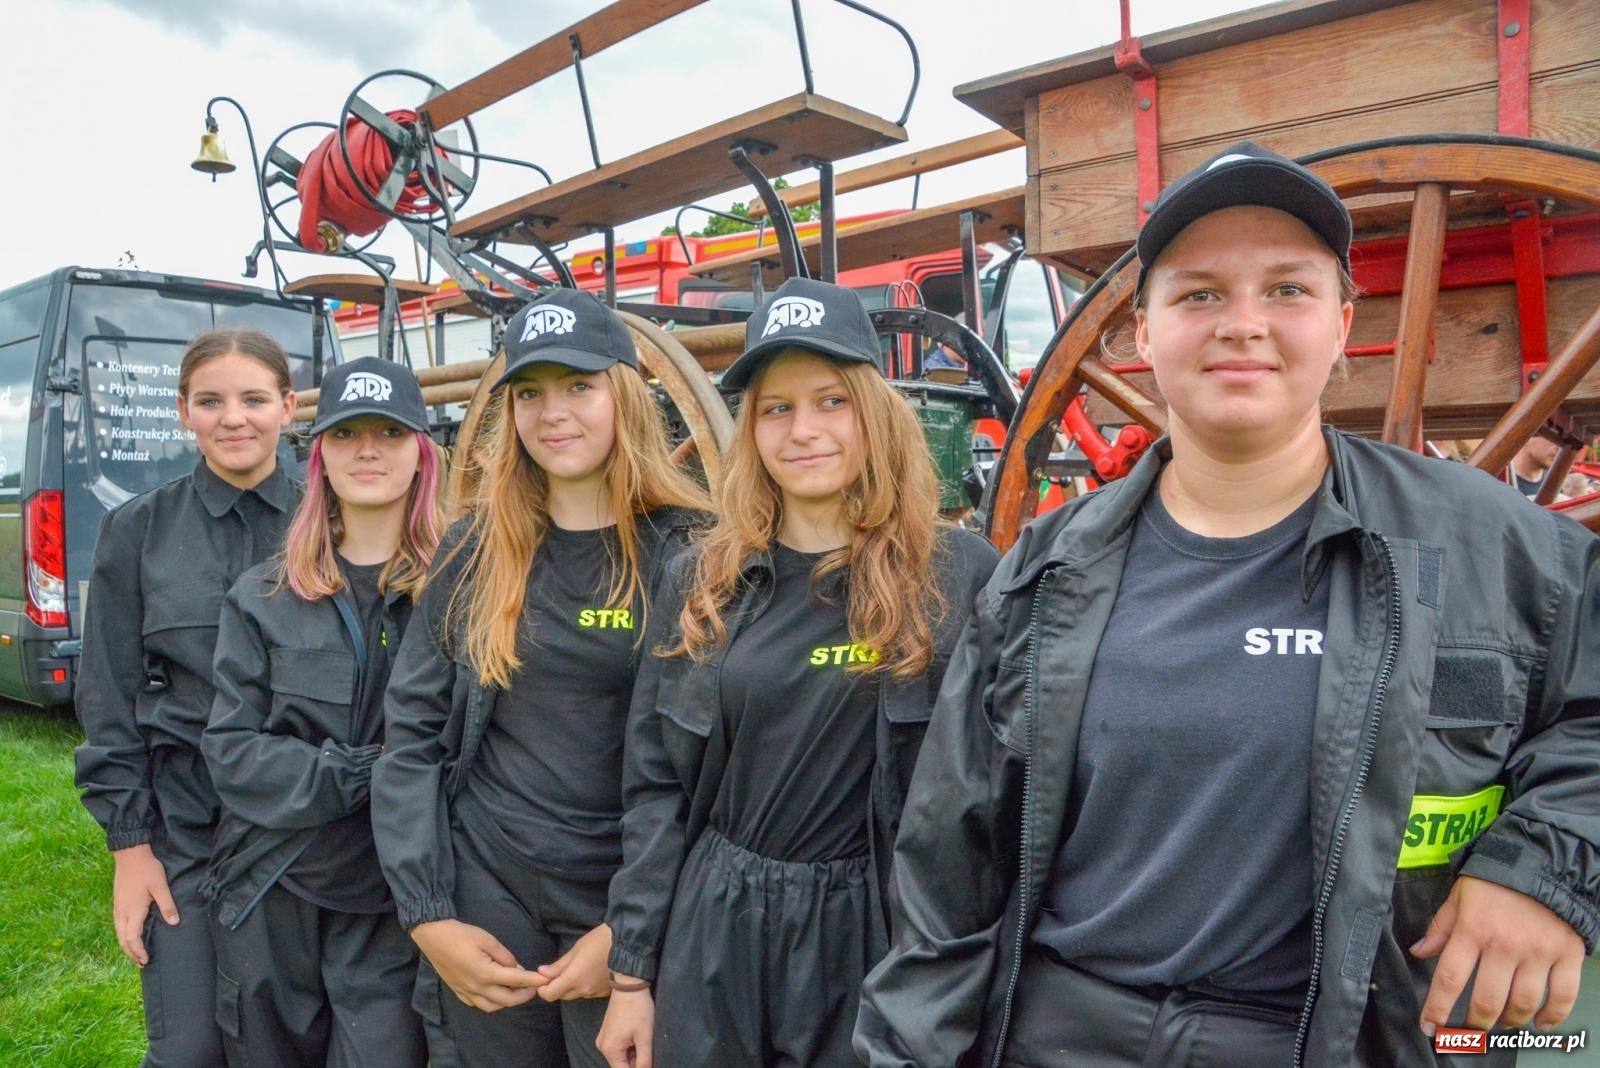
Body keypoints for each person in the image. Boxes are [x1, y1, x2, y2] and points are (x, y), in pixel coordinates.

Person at [855, 142, 1599, 1067]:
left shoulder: (1501, 548)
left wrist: (1540, 871)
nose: (1242, 324)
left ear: (1340, 323)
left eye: (1286, 290)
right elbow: (948, 870)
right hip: (1065, 1035)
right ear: (1144, 330)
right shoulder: (1043, 570)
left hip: (1344, 1041)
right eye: (1200, 293)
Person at [597, 278, 999, 1068]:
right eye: (776, 408)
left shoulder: (959, 577)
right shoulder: (701, 580)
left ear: (874, 412)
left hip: (872, 932)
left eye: (829, 401)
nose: (802, 430)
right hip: (716, 925)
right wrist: (632, 974)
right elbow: (655, 790)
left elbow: (992, 803)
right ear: (751, 429)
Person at [372, 289, 710, 1068]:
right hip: (493, 891)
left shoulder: (687, 554)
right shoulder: (476, 551)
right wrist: (429, 916)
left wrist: (632, 937)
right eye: (531, 393)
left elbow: (698, 775)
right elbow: (411, 739)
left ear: (623, 393)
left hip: (621, 896)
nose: (553, 412)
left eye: (579, 386)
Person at [202, 357, 442, 1067]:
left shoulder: (462, 592)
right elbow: (233, 751)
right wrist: (363, 773)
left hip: (393, 903)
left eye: (389, 433)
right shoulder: (264, 595)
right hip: (274, 889)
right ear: (320, 458)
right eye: (346, 435)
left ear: (421, 453)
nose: (367, 450)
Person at [75, 327, 299, 1067]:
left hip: (309, 835)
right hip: (185, 836)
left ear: (288, 407)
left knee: (290, 1041)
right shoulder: (135, 531)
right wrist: (129, 847)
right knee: (191, 1047)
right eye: (211, 401)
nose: (233, 418)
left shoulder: (330, 521)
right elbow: (107, 694)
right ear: (183, 412)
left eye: (253, 399)